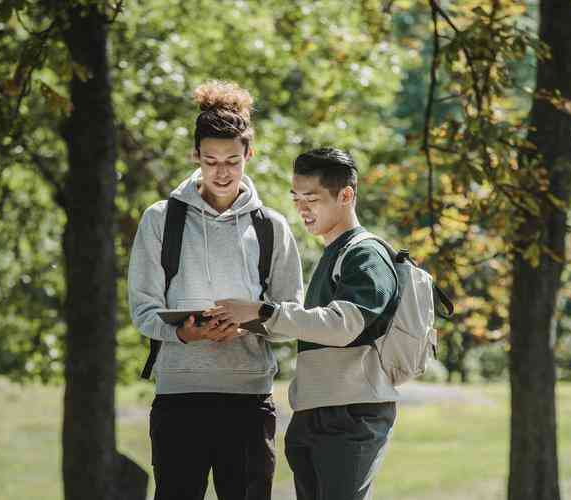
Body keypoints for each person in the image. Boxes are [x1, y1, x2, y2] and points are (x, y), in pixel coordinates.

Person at [127, 80, 303, 500]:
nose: (221, 172)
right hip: (179, 397)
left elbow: (291, 315)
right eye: (210, 161)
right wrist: (188, 332)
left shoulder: (271, 227)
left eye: (232, 160)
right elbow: (144, 310)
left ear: (249, 155)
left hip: (248, 398)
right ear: (195, 157)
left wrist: (250, 323)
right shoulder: (159, 221)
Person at [214, 147, 400, 500]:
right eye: (296, 198)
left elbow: (344, 325)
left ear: (346, 195)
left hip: (351, 414)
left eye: (311, 199)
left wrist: (262, 310)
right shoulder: (335, 253)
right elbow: (311, 325)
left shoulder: (365, 254)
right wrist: (247, 323)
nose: (301, 209)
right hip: (315, 411)